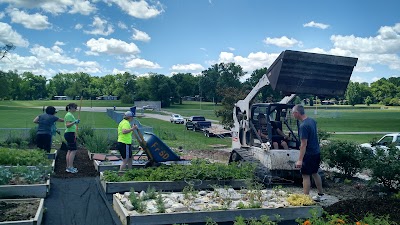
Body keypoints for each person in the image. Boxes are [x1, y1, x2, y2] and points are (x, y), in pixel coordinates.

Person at [292, 104, 325, 201]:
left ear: (297, 113)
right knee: (315, 172)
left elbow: (303, 144)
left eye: (293, 113)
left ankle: (305, 199)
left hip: (309, 154)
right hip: (316, 152)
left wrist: (300, 160)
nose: (293, 115)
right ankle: (320, 194)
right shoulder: (312, 121)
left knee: (305, 176)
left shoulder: (303, 126)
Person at [64, 103, 80, 174]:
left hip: (70, 133)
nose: (76, 109)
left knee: (70, 150)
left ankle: (68, 167)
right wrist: (74, 122)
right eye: (75, 108)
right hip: (70, 134)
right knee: (73, 150)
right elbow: (67, 125)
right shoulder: (69, 115)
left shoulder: (69, 115)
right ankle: (70, 167)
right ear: (71, 108)